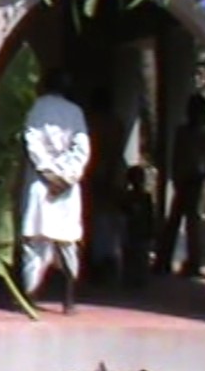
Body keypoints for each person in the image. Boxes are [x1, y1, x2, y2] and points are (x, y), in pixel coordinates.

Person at [19, 69, 91, 314]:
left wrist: (49, 174)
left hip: (41, 183)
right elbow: (81, 148)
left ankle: (31, 297)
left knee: (34, 243)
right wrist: (66, 176)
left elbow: (32, 143)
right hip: (66, 187)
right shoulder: (75, 111)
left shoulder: (34, 109)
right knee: (67, 243)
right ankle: (68, 301)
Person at [154, 93, 205, 277]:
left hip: (195, 179)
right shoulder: (184, 132)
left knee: (191, 223)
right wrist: (176, 176)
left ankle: (192, 263)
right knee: (175, 220)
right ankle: (164, 260)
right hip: (184, 179)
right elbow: (177, 156)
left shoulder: (202, 135)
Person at [83, 88, 127, 285]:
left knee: (99, 218)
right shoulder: (116, 123)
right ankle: (108, 259)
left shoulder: (93, 122)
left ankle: (101, 261)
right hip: (112, 172)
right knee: (108, 219)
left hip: (100, 171)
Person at [121, 165, 155, 289]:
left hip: (140, 232)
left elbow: (150, 216)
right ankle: (131, 280)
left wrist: (151, 232)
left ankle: (138, 280)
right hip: (132, 231)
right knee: (132, 256)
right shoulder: (129, 197)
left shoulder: (145, 197)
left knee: (139, 257)